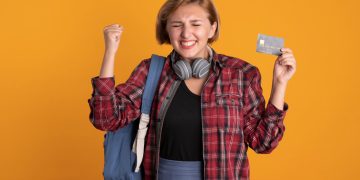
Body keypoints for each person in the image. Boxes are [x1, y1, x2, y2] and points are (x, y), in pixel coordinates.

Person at [88, 0, 297, 179]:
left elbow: (264, 143)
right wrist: (110, 54)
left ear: (212, 28)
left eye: (196, 24)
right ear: (167, 31)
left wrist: (279, 84)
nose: (186, 33)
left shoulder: (241, 73)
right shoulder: (151, 71)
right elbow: (106, 119)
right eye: (177, 25)